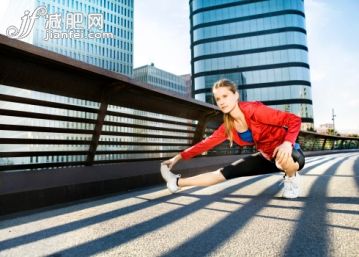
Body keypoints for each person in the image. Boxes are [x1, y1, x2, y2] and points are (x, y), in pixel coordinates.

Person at [161, 79, 305, 199]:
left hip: (291, 154)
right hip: (267, 157)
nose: (221, 101)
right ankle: (176, 182)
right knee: (222, 173)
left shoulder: (254, 110)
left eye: (225, 96)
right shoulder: (227, 127)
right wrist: (178, 157)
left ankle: (291, 178)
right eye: (218, 99)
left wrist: (287, 143)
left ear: (236, 95)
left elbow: (294, 120)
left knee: (283, 158)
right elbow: (205, 144)